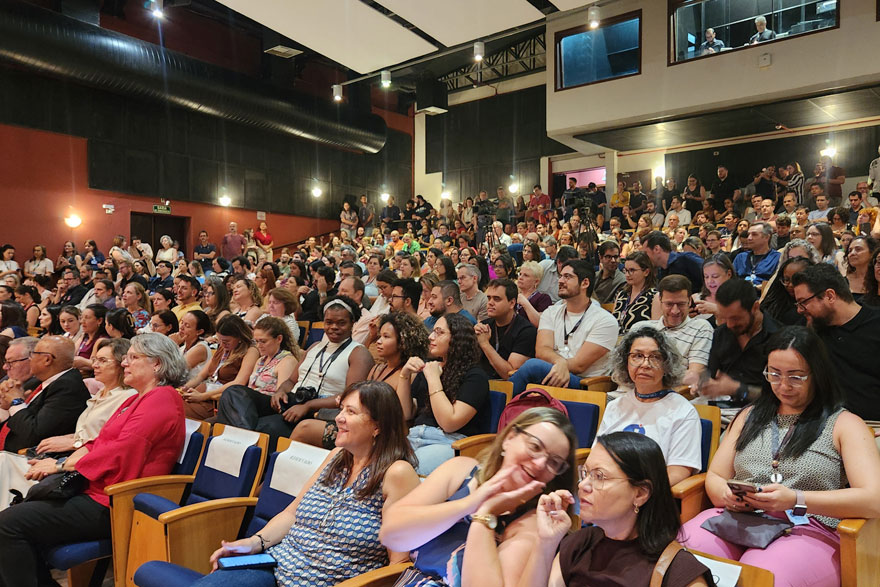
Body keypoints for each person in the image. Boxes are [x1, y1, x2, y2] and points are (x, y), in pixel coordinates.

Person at [681, 326, 880, 586]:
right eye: (774, 374)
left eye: (796, 377)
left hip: (807, 526)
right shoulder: (749, 416)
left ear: (818, 375)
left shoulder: (844, 424)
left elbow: (873, 498)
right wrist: (728, 495)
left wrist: (796, 499)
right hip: (739, 518)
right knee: (684, 556)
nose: (783, 385)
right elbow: (716, 476)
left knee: (762, 574)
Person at [173, 381, 420, 587]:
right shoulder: (336, 456)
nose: (339, 419)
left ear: (378, 425)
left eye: (351, 412)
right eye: (341, 409)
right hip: (276, 566)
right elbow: (292, 513)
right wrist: (253, 543)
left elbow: (397, 565)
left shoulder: (396, 473)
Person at [0, 333, 187, 587]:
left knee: (8, 524)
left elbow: (122, 450)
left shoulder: (163, 398)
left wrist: (58, 465)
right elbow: (99, 442)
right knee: (13, 516)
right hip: (96, 488)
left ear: (156, 363)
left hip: (116, 500)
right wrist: (63, 460)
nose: (124, 363)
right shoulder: (136, 398)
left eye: (133, 357)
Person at [380, 408, 578, 587]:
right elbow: (391, 535)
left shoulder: (533, 523)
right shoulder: (461, 471)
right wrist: (471, 503)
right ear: (509, 438)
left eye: (554, 462)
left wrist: (485, 513)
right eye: (535, 446)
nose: (540, 463)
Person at [0, 338, 136, 510]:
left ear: (121, 364)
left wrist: (75, 443)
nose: (94, 365)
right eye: (95, 360)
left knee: (3, 463)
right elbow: (90, 430)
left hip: (81, 471)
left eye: (102, 361)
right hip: (66, 459)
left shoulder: (126, 397)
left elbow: (112, 441)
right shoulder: (102, 393)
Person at [243, 298, 372, 446]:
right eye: (329, 322)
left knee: (264, 427)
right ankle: (245, 436)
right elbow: (291, 381)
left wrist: (308, 406)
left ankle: (247, 443)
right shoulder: (315, 346)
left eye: (341, 323)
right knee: (236, 393)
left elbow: (350, 397)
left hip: (318, 411)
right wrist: (280, 391)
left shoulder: (358, 352)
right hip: (292, 402)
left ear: (352, 323)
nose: (334, 327)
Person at [597, 327, 701, 485]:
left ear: (667, 365)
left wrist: (636, 491)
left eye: (655, 357)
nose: (645, 364)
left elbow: (678, 472)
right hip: (608, 488)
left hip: (649, 494)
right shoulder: (615, 406)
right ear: (626, 362)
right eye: (637, 356)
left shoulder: (683, 412)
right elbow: (597, 456)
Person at [397, 313, 489, 475]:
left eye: (439, 333)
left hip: (449, 442)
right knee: (375, 466)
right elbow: (405, 413)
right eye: (433, 331)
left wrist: (433, 379)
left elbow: (449, 423)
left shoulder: (475, 376)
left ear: (457, 339)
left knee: (403, 475)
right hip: (414, 436)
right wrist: (404, 376)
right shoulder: (431, 367)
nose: (431, 337)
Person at [509, 260, 618, 395]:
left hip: (585, 384)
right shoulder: (551, 312)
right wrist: (560, 361)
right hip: (553, 372)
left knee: (533, 366)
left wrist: (561, 365)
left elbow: (579, 365)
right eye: (560, 276)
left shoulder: (605, 320)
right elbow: (542, 350)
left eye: (567, 277)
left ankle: (501, 406)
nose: (560, 281)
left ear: (585, 283)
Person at [792, 264, 880, 421]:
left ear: (830, 296)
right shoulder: (812, 330)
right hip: (825, 426)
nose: (799, 310)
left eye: (803, 302)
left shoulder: (875, 324)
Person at [700, 279, 780, 413]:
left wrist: (738, 389)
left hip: (763, 414)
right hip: (722, 411)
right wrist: (701, 380)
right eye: (725, 317)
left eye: (736, 318)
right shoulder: (721, 334)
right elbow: (710, 374)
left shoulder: (778, 338)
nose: (730, 324)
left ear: (755, 307)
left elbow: (779, 396)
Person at [181, 315, 260, 420]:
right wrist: (184, 389)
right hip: (202, 393)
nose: (222, 344)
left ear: (240, 337)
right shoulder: (222, 348)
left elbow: (239, 382)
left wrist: (203, 396)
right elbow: (200, 376)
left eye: (227, 341)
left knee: (177, 410)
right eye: (220, 340)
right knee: (171, 402)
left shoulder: (250, 351)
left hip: (217, 400)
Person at [476, 279, 537, 379]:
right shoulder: (484, 326)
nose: (490, 303)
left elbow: (510, 375)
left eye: (496, 299)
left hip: (506, 389)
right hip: (481, 382)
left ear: (512, 303)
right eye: (489, 298)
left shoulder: (526, 331)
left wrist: (485, 344)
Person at [368, 311, 430, 393]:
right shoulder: (375, 369)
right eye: (380, 336)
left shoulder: (410, 375)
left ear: (402, 342)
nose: (378, 341)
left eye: (386, 336)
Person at [612, 252, 661, 334]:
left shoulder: (654, 296)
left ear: (646, 272)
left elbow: (656, 332)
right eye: (626, 270)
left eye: (632, 270)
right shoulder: (621, 294)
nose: (627, 275)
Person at [760, 256, 813, 326]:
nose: (790, 285)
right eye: (787, 280)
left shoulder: (813, 306)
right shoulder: (774, 303)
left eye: (796, 280)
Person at [733, 222, 781, 287]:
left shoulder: (777, 258)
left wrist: (758, 287)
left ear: (766, 237)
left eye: (754, 234)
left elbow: (778, 285)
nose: (749, 238)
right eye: (748, 234)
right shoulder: (741, 257)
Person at [515, 260, 552, 327]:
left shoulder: (543, 298)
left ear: (536, 282)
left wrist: (525, 303)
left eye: (526, 275)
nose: (520, 278)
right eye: (520, 274)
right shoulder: (513, 294)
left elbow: (539, 323)